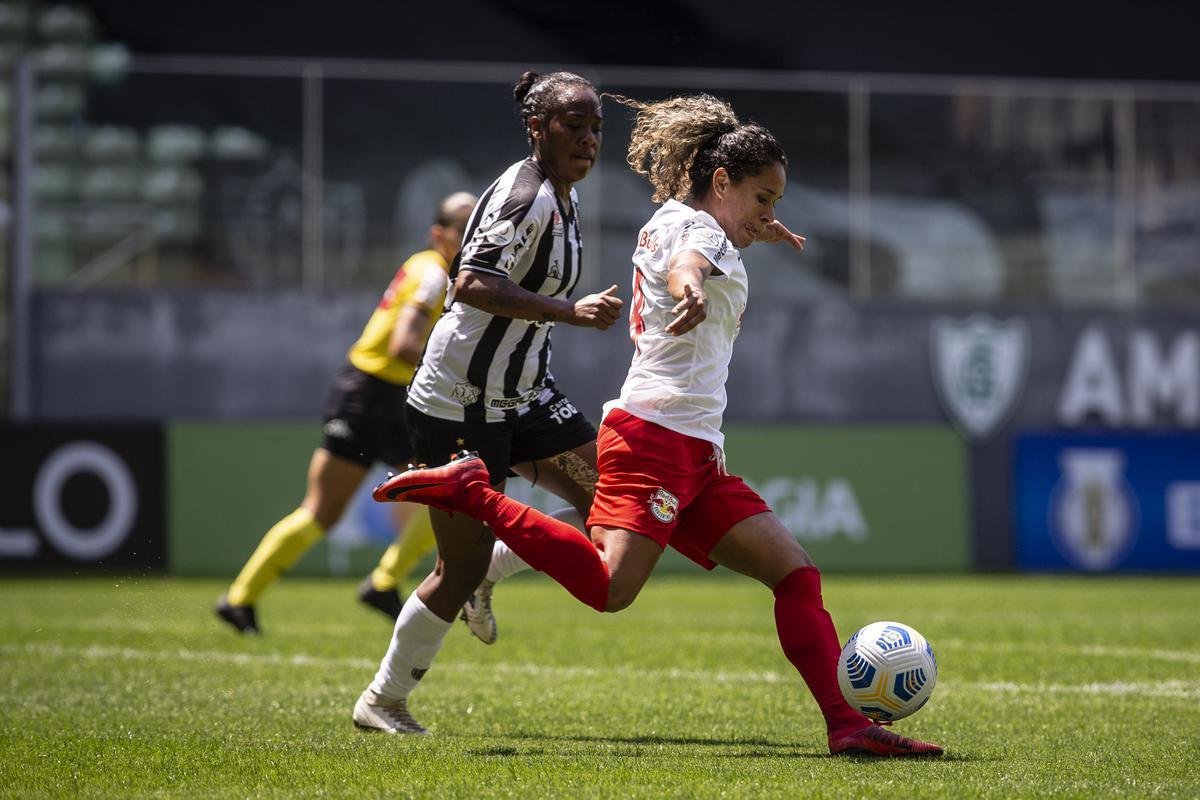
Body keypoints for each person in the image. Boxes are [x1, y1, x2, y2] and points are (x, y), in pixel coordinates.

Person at [370, 93, 945, 758]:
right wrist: (694, 285)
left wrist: (750, 234)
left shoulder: (675, 216)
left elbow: (698, 241)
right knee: (613, 589)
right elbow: (691, 263)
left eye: (776, 204)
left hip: (692, 449)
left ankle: (846, 725)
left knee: (795, 574)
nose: (769, 214)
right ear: (722, 181)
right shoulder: (699, 238)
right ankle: (473, 494)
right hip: (655, 441)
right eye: (763, 199)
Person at [350, 69, 623, 734]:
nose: (588, 140)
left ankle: (492, 572)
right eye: (573, 126)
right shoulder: (524, 195)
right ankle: (382, 701)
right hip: (460, 403)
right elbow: (469, 283)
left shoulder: (563, 194)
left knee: (611, 503)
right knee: (455, 563)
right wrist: (571, 312)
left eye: (595, 128)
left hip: (524, 396)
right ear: (537, 128)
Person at [214, 190, 477, 635]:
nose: (471, 237)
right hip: (370, 395)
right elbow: (403, 344)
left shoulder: (429, 268)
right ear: (439, 234)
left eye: (476, 228)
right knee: (324, 512)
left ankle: (382, 583)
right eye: (462, 229)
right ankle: (241, 599)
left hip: (392, 395)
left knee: (448, 495)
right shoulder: (433, 274)